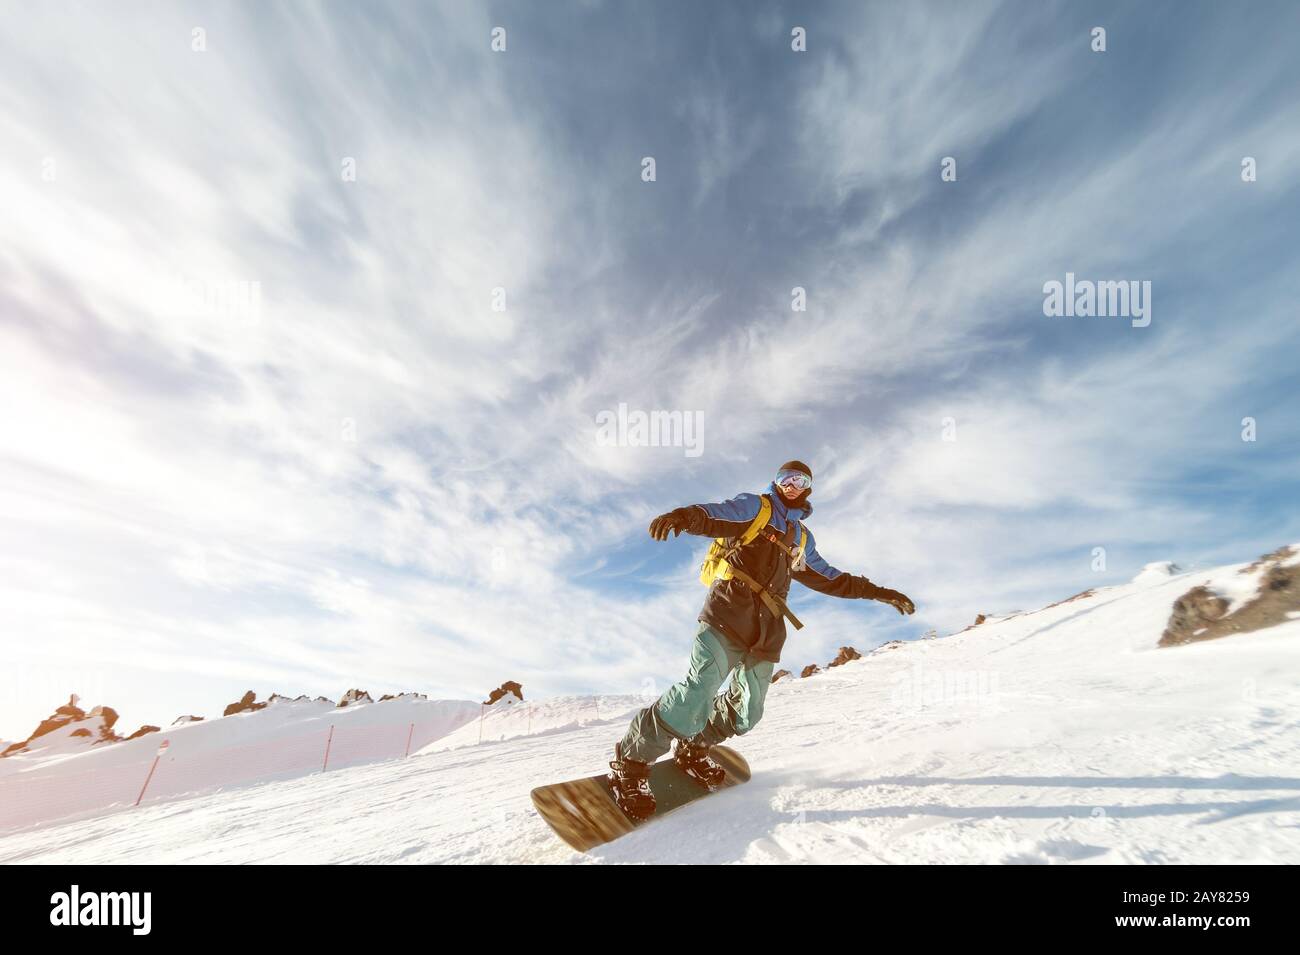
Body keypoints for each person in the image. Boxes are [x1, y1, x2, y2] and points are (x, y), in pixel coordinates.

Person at [609, 460, 915, 819]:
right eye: (786, 478)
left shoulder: (802, 538)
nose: (792, 484)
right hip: (727, 614)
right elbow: (718, 515)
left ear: (808, 488)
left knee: (747, 712)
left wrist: (877, 591)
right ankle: (630, 766)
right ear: (777, 481)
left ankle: (694, 748)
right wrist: (684, 516)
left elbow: (830, 578)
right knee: (698, 691)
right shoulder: (757, 507)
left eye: (800, 480)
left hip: (768, 628)